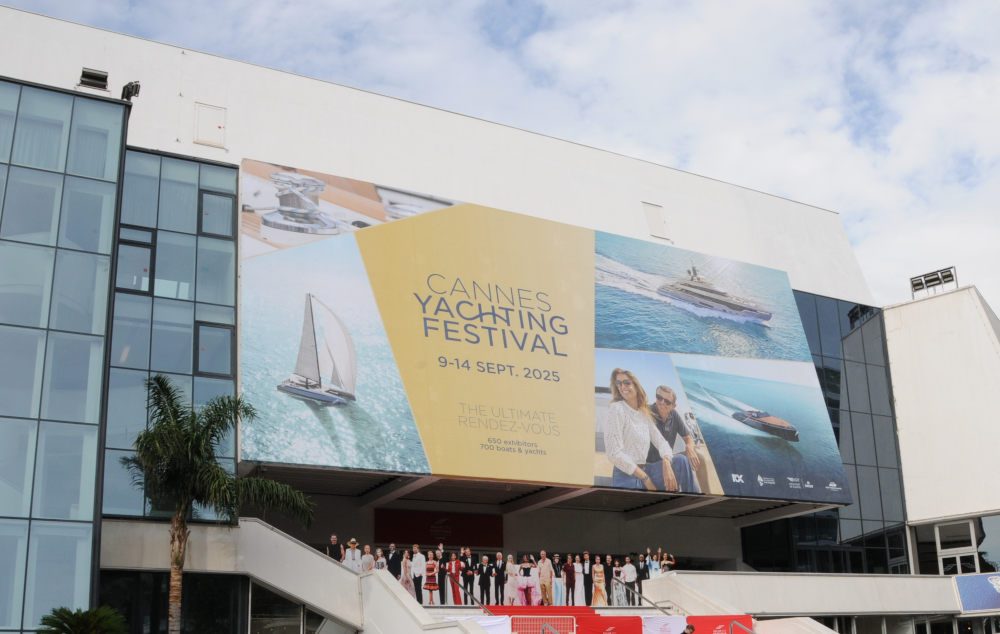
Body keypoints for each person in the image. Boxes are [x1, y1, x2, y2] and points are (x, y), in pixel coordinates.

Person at [605, 368, 678, 492]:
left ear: (636, 385)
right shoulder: (616, 409)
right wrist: (645, 479)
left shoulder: (643, 413)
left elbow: (661, 442)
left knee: (680, 461)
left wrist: (666, 460)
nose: (622, 386)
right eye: (619, 383)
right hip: (626, 475)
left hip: (647, 470)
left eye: (627, 382)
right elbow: (613, 453)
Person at [647, 385, 700, 493]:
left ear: (673, 406)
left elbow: (688, 437)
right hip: (648, 467)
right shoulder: (647, 413)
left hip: (666, 461)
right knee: (681, 460)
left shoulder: (674, 415)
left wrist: (689, 447)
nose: (662, 402)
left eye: (667, 401)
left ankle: (693, 495)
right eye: (659, 397)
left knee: (695, 458)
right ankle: (692, 498)